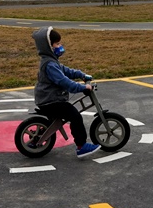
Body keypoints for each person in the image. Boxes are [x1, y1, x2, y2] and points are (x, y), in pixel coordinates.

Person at [32, 26, 102, 159]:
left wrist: (81, 75)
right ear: (49, 46)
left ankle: (40, 135)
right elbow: (63, 81)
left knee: (62, 117)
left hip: (49, 99)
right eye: (57, 43)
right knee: (75, 116)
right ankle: (81, 146)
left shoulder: (52, 61)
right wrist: (82, 87)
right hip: (50, 101)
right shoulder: (50, 65)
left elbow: (66, 71)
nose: (60, 46)